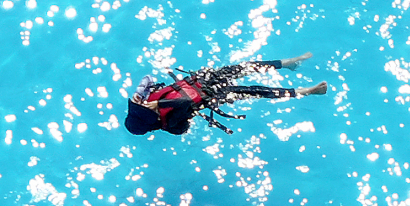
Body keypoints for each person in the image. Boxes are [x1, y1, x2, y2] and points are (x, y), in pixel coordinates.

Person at [124, 52, 326, 136]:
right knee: (255, 91)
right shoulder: (171, 123)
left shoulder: (145, 101)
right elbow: (185, 102)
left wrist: (140, 94)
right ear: (151, 122)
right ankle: (307, 92)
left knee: (244, 68)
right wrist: (159, 105)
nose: (144, 107)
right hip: (212, 96)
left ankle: (288, 63)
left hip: (202, 80)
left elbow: (148, 78)